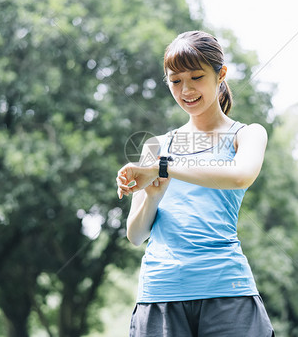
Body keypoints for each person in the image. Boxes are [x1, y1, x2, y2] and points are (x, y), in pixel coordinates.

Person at [116, 30, 274, 337]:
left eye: (196, 77)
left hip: (228, 292)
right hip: (160, 295)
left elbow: (240, 175)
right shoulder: (156, 145)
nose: (186, 90)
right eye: (175, 81)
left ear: (221, 75)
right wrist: (153, 194)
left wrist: (164, 167)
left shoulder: (248, 134)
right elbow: (135, 235)